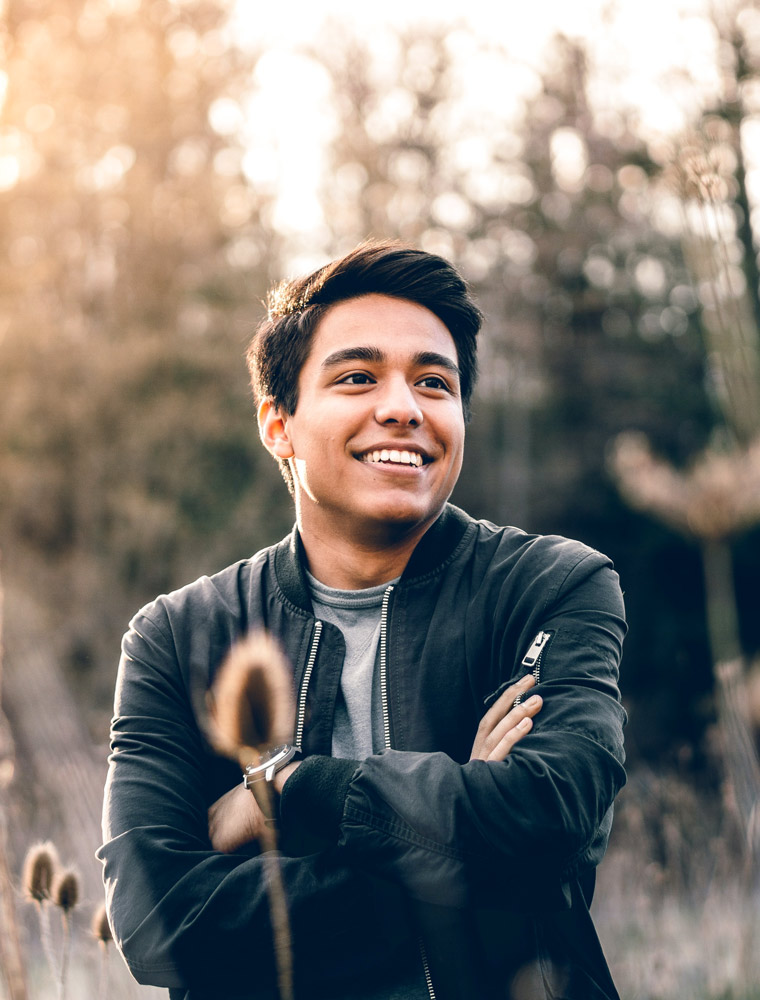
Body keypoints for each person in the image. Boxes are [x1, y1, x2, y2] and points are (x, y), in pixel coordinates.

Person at [98, 241, 628, 1000]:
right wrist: (464, 844)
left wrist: (292, 790)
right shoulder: (180, 636)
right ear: (278, 425)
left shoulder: (549, 586)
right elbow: (158, 927)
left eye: (434, 383)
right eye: (357, 377)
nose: (404, 408)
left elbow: (551, 818)